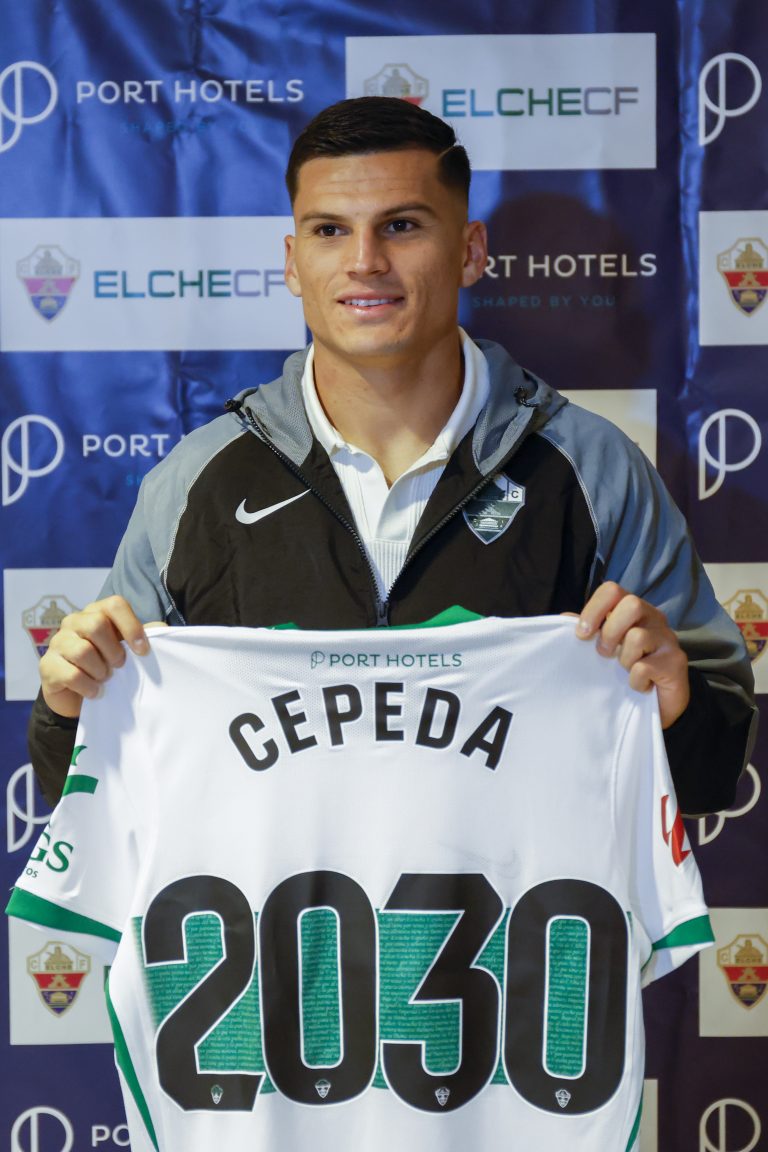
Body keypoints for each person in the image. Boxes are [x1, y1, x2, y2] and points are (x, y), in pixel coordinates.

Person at [29, 96, 756, 814]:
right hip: (278, 898)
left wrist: (676, 704)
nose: (365, 262)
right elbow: (95, 797)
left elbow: (709, 773)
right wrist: (67, 712)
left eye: (401, 226)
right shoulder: (197, 481)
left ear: (470, 250)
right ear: (293, 261)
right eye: (329, 230)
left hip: (520, 897)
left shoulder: (593, 469)